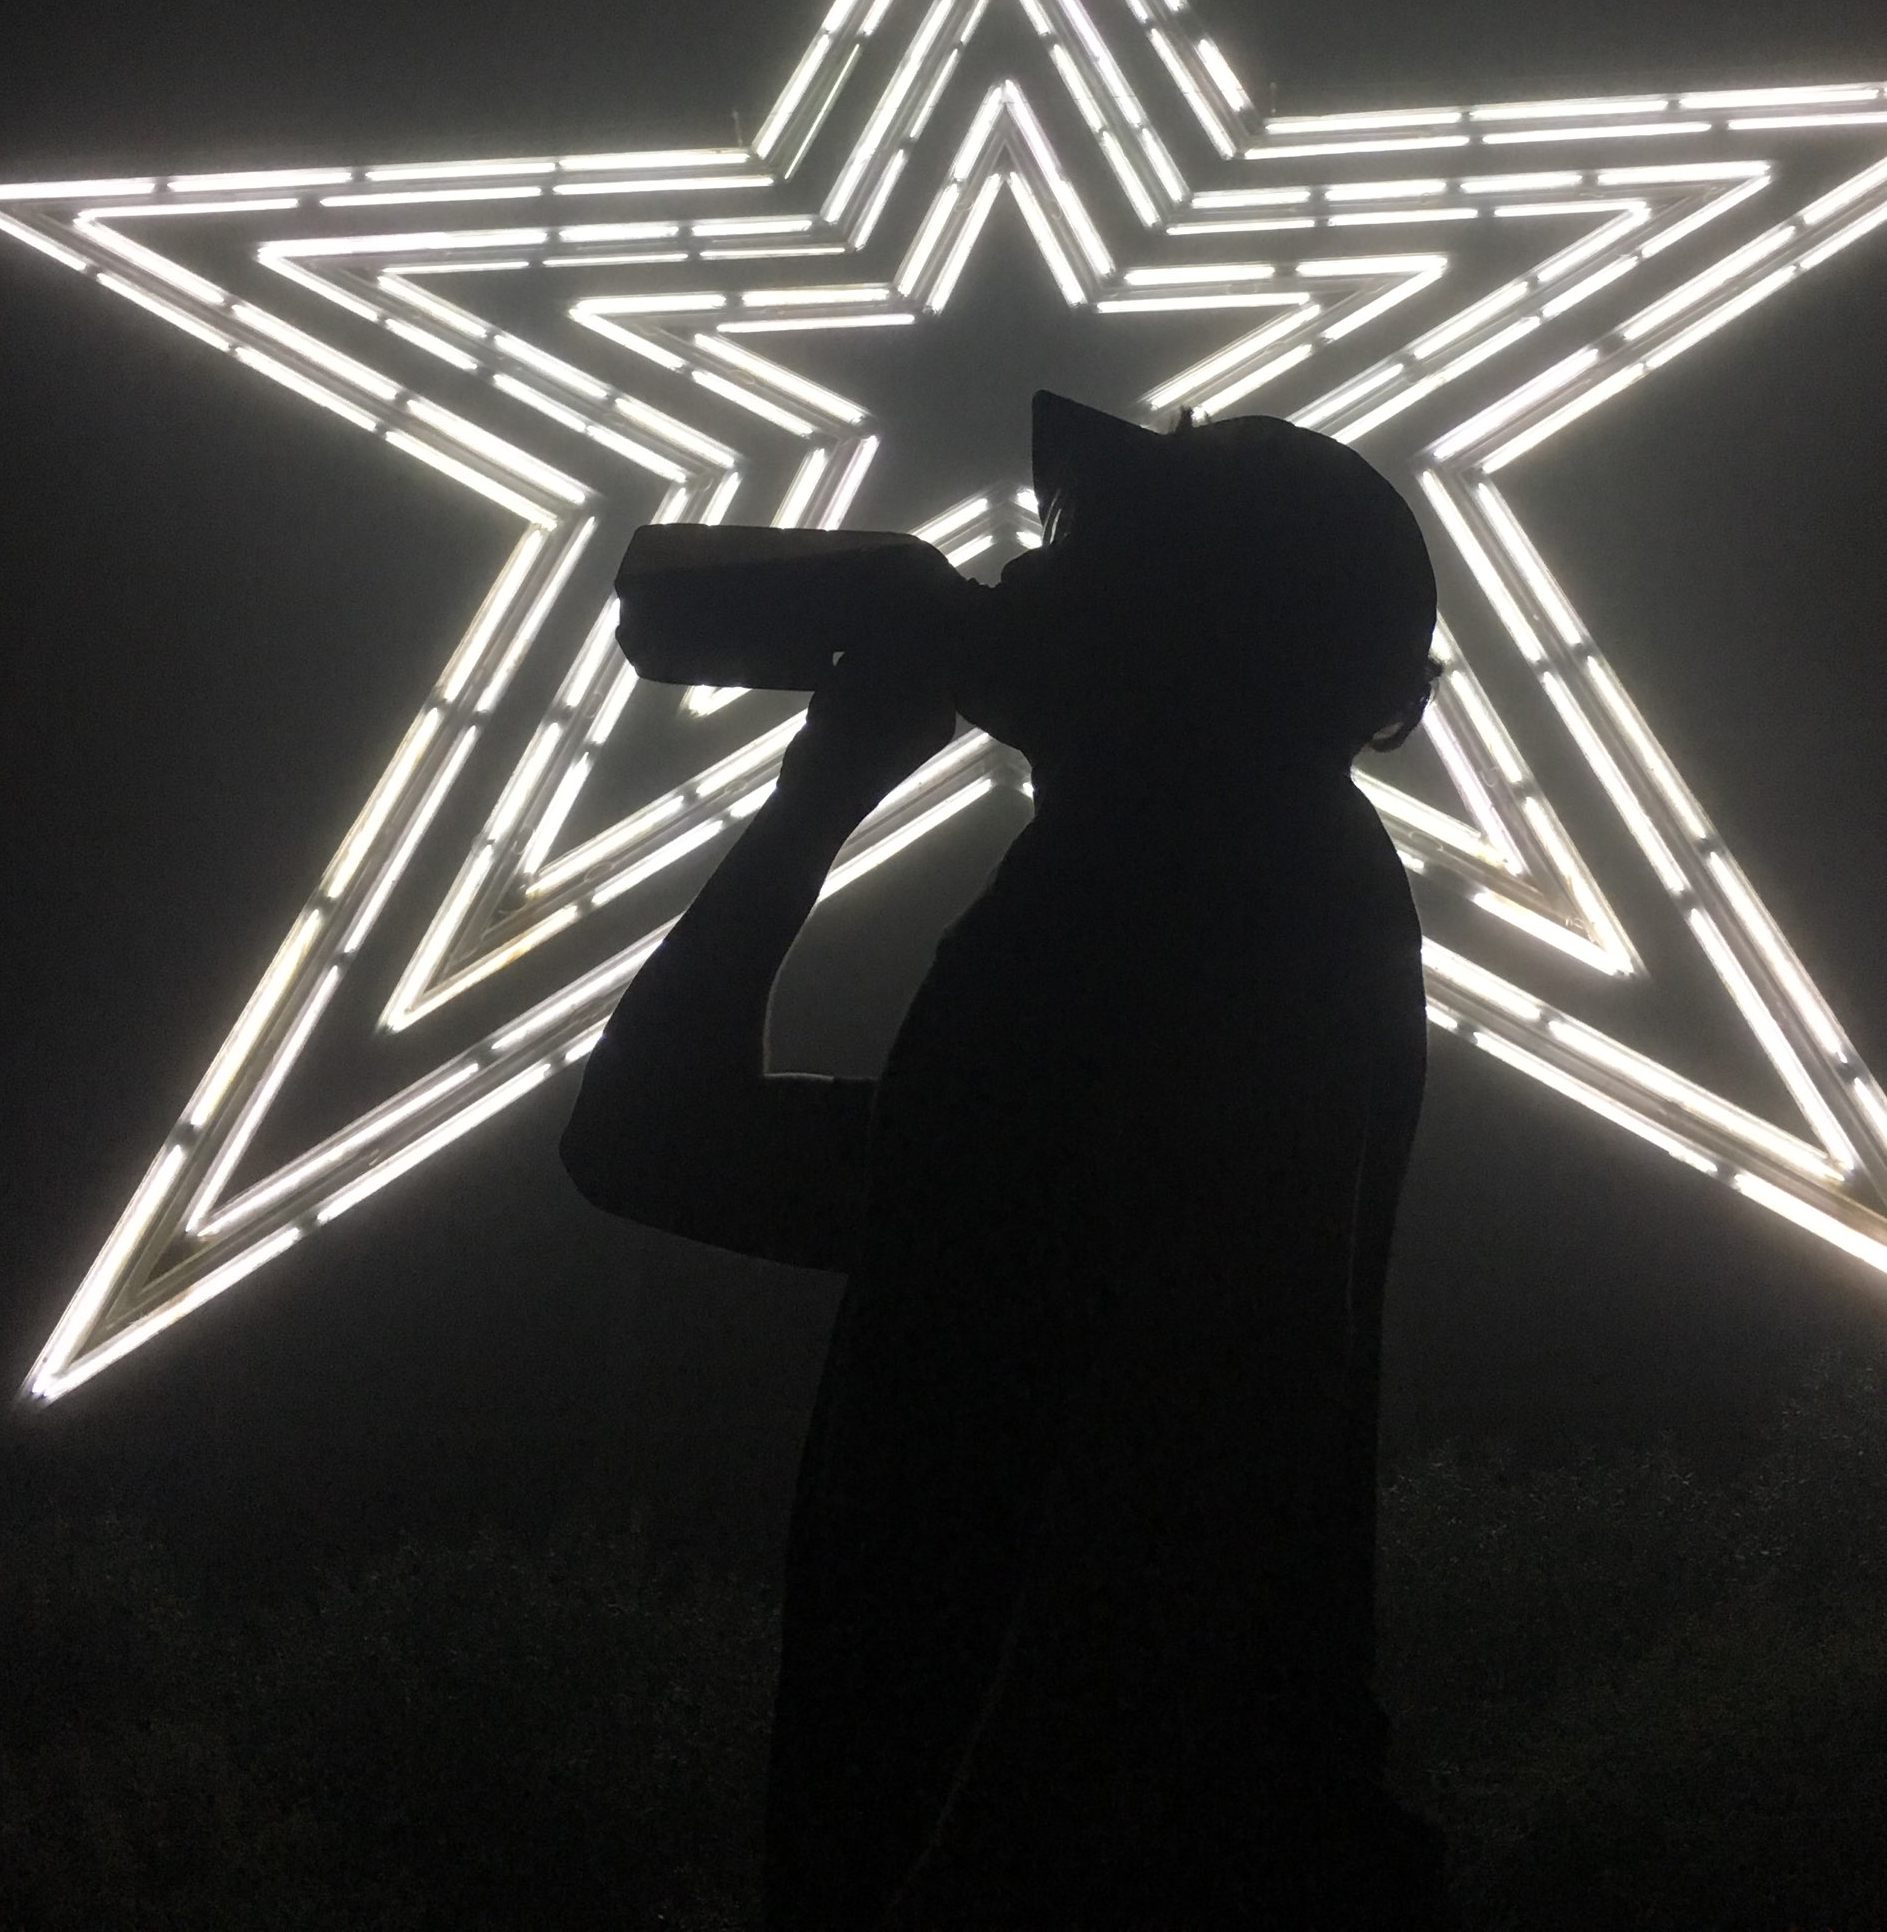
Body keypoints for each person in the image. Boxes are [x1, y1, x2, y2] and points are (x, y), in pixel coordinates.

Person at [562, 391, 1446, 1928]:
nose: (1017, 575)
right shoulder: (1143, 892)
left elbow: (1193, 1444)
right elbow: (649, 1143)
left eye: (1080, 548)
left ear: (1191, 626)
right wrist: (820, 788)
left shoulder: (1238, 886)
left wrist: (976, 1873)